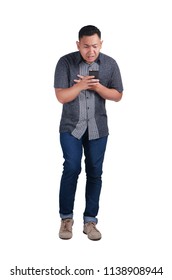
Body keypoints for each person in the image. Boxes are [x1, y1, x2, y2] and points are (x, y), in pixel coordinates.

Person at [54, 25, 123, 241]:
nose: (90, 51)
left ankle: (90, 221)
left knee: (95, 171)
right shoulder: (65, 62)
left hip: (98, 128)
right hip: (70, 127)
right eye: (86, 46)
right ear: (78, 45)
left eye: (95, 46)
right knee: (72, 167)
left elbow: (118, 95)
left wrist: (98, 88)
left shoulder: (110, 64)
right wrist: (81, 85)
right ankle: (66, 219)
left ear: (101, 44)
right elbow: (61, 96)